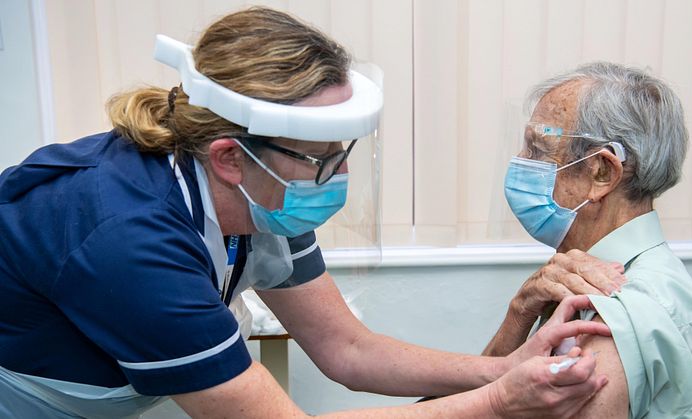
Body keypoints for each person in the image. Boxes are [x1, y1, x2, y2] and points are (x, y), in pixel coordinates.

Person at [0, 7, 618, 419]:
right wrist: (499, 401)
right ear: (229, 158)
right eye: (321, 159)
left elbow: (345, 349)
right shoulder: (127, 242)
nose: (338, 177)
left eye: (344, 155)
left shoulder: (264, 202)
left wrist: (498, 368)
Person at [483, 62, 692, 418]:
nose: (521, 164)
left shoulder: (619, 305)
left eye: (538, 150)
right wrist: (519, 312)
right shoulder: (577, 276)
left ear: (602, 172)